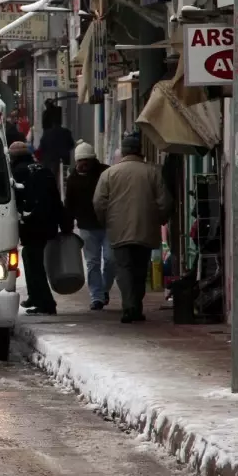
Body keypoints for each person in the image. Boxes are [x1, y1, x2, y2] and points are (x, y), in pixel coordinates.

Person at [93, 131, 171, 324]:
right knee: (139, 270)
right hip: (145, 229)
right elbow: (165, 202)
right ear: (140, 152)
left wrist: (106, 221)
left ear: (124, 152)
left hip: (118, 231)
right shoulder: (152, 172)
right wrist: (160, 219)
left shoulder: (109, 174)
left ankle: (130, 307)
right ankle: (135, 305)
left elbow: (98, 202)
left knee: (124, 269)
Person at [10, 141, 69, 316]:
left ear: (13, 157)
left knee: (34, 263)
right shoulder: (43, 170)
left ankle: (46, 303)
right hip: (48, 223)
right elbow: (56, 198)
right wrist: (63, 222)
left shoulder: (18, 172)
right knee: (30, 258)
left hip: (32, 224)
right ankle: (35, 296)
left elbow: (17, 200)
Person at [64, 141, 113, 310]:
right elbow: (69, 204)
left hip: (108, 224)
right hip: (86, 226)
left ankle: (104, 290)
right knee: (92, 263)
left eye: (87, 160)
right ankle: (96, 297)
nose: (83, 164)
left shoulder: (105, 173)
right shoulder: (73, 180)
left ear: (93, 160)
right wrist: (67, 226)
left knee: (110, 259)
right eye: (80, 160)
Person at [37, 101, 74, 187]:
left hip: (49, 161)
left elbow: (42, 147)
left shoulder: (47, 134)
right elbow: (71, 144)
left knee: (51, 181)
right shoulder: (66, 132)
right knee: (64, 182)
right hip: (64, 160)